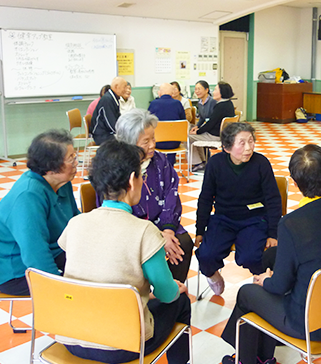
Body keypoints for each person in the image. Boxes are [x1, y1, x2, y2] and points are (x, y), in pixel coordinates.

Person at [220, 144, 321, 364]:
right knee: (271, 258)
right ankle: (262, 356)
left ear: (295, 184)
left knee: (247, 293)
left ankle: (247, 359)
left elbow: (279, 286)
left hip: (310, 324)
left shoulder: (291, 224)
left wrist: (266, 280)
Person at [57, 140, 191, 363]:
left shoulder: (76, 223)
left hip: (71, 338)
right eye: (141, 175)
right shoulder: (145, 231)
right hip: (124, 345)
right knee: (181, 300)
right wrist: (171, 289)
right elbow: (167, 294)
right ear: (132, 180)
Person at [195, 122, 282, 296]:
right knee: (205, 254)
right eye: (242, 143)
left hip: (254, 219)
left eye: (251, 141)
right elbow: (205, 198)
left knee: (251, 257)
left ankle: (263, 282)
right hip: (223, 218)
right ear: (227, 148)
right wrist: (200, 229)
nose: (249, 147)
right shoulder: (215, 163)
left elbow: (273, 200)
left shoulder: (261, 163)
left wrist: (273, 233)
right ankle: (213, 277)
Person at [115, 109, 194, 282]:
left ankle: (172, 293)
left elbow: (171, 193)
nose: (152, 145)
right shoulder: (116, 168)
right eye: (145, 141)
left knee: (183, 243)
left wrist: (167, 230)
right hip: (130, 231)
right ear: (129, 142)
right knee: (146, 251)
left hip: (161, 223)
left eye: (153, 138)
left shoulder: (160, 161)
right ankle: (144, 295)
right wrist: (153, 236)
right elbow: (117, 214)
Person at [0, 130, 80, 295]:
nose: (76, 162)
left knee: (101, 266)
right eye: (71, 159)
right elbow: (35, 256)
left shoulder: (62, 182)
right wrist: (61, 289)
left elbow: (76, 222)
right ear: (51, 168)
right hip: (17, 270)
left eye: (75, 156)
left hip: (55, 251)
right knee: (84, 287)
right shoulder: (28, 196)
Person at [189, 81, 235, 171]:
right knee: (195, 135)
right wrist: (199, 129)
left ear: (222, 92)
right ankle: (204, 161)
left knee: (188, 137)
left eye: (216, 89)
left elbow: (210, 124)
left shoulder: (220, 106)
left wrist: (198, 131)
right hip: (224, 134)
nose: (213, 92)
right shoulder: (229, 104)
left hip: (216, 136)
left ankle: (198, 162)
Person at [148, 83, 187, 166]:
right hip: (174, 143)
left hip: (157, 142)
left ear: (159, 93)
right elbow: (183, 122)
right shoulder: (178, 104)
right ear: (172, 93)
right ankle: (170, 166)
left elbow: (148, 122)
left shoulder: (153, 104)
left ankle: (157, 166)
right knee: (173, 135)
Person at [92, 76, 128, 145]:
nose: (126, 90)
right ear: (116, 87)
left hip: (107, 133)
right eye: (124, 87)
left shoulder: (114, 98)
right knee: (125, 142)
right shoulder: (107, 100)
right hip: (102, 135)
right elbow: (111, 124)